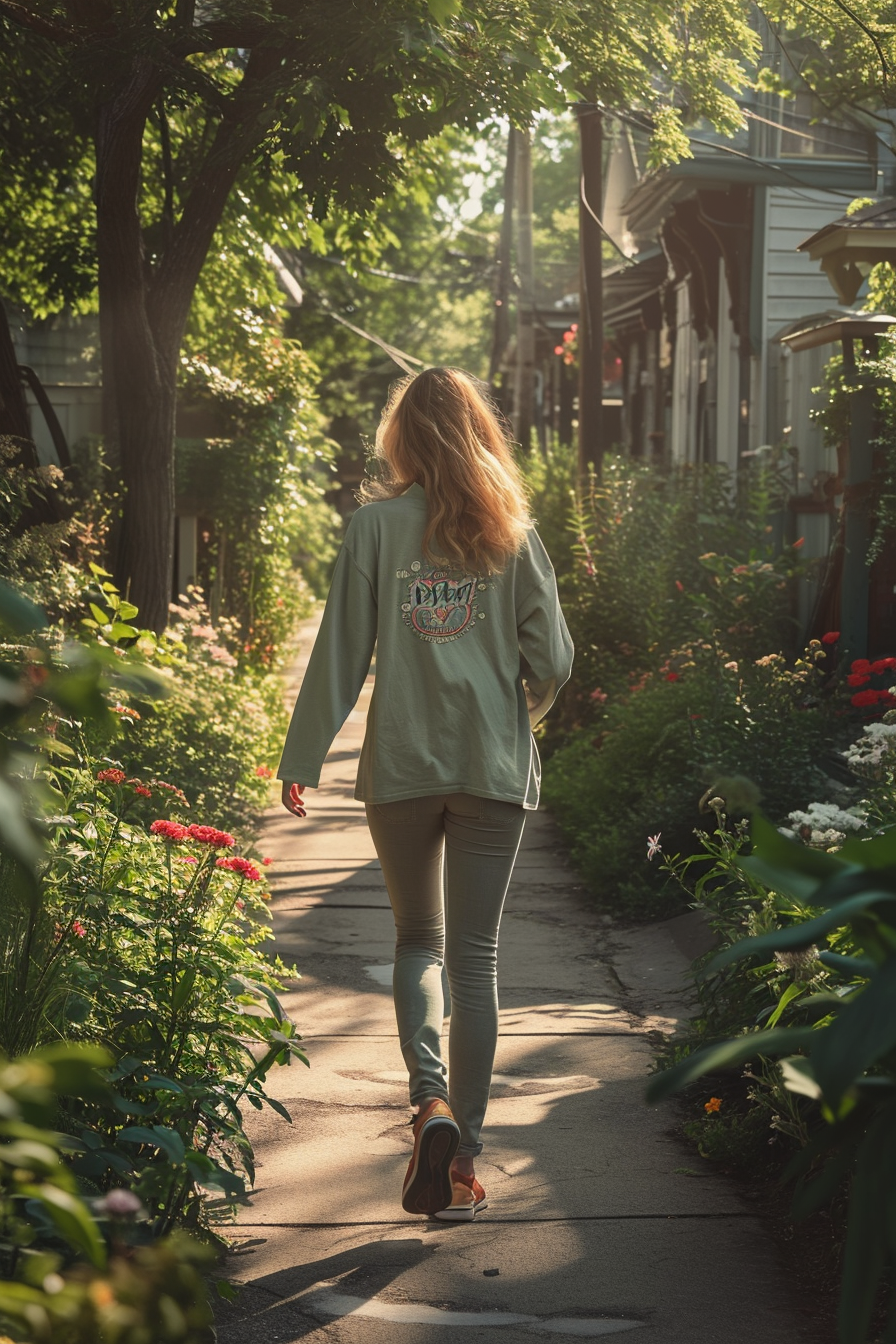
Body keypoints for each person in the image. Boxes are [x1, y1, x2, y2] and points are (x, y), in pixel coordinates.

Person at [278, 367, 573, 1221]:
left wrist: (304, 755)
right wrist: (522, 715)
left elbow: (340, 652)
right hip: (490, 765)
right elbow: (551, 658)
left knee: (418, 942)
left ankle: (429, 1102)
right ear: (480, 430)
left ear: (400, 437)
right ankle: (462, 1158)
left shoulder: (373, 528)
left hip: (402, 766)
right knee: (476, 959)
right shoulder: (512, 531)